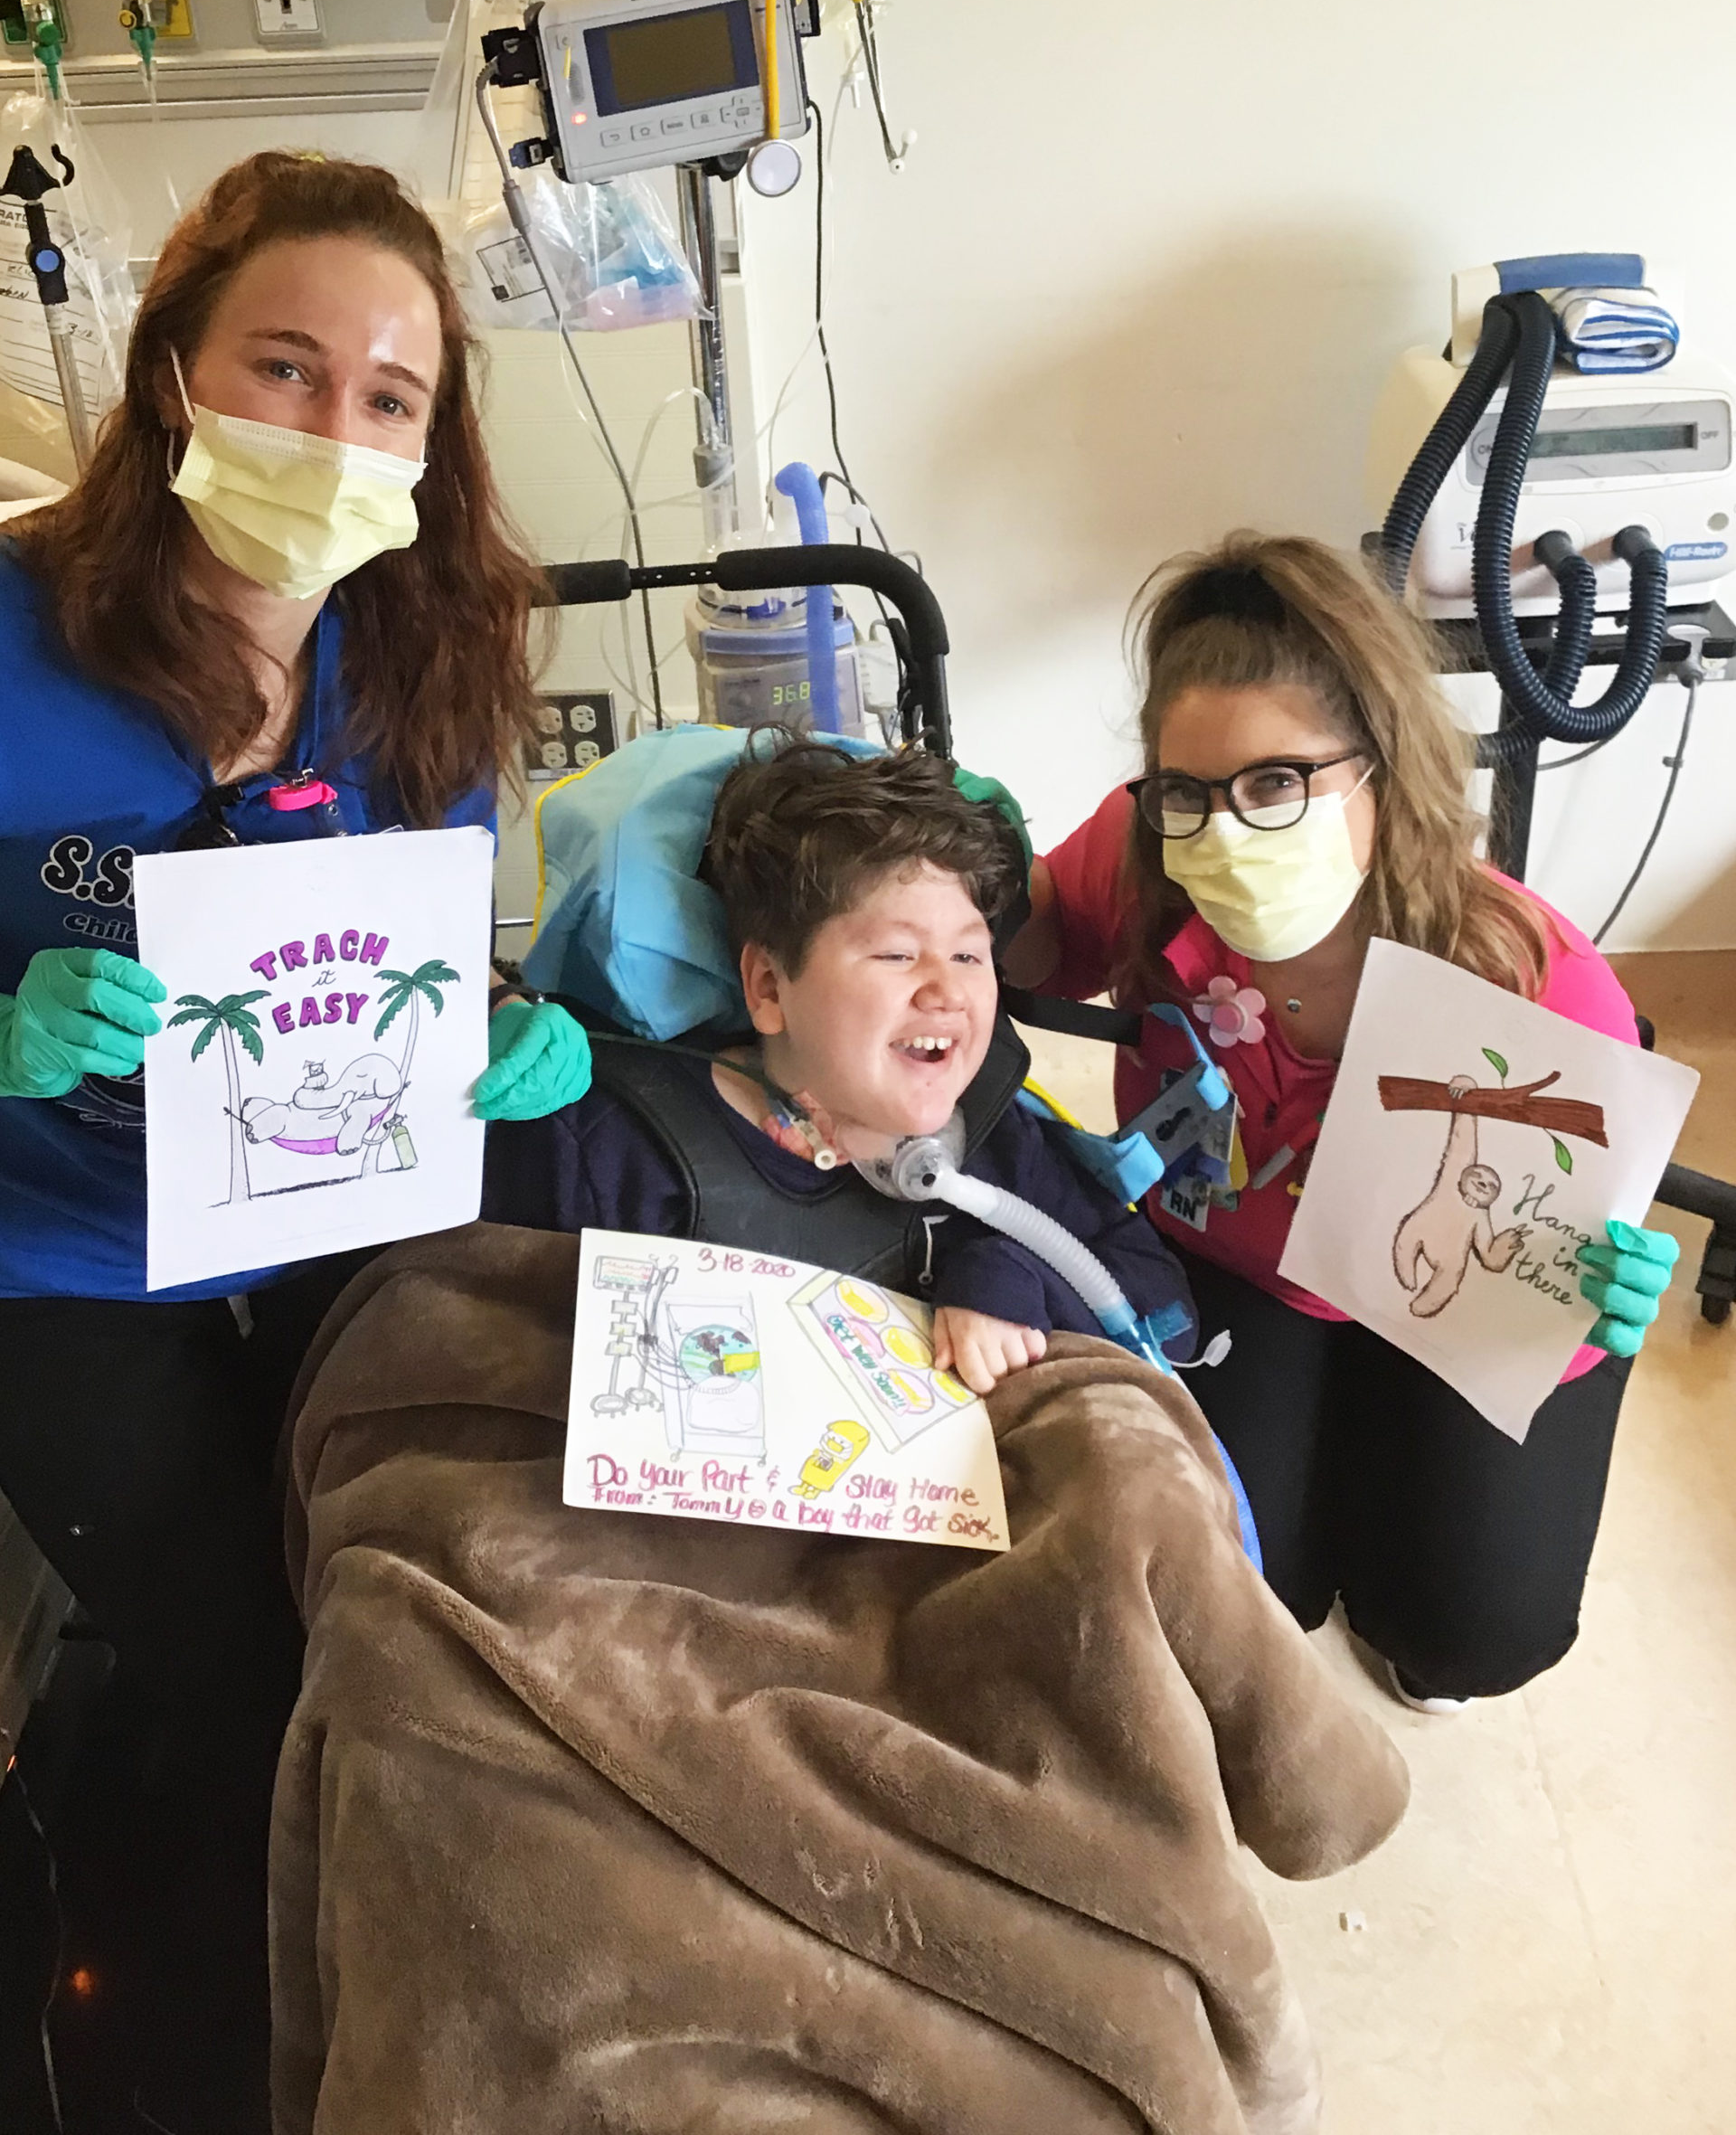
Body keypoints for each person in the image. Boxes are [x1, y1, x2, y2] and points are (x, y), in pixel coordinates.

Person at [0, 153, 593, 2131]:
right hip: (64, 1255)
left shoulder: (427, 652)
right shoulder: (14, 640)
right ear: (175, 369)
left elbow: (426, 945)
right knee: (253, 1676)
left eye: (388, 396)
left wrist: (505, 1034)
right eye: (286, 366)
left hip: (338, 1211)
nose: (335, 430)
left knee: (431, 1605)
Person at [1005, 533, 1677, 1715]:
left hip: (1453, 1308)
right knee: (1238, 1589)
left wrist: (1594, 1302)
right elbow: (1034, 952)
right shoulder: (1148, 859)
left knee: (1474, 1630)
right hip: (1235, 1265)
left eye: (1277, 783)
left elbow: (1545, 1284)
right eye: (1186, 791)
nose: (1222, 833)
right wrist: (973, 865)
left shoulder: (1534, 985)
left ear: (1380, 767)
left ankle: (1396, 1486)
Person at [484, 738, 1196, 1391]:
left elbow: (1167, 1318)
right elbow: (475, 1352)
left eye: (968, 954)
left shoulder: (999, 1143)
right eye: (897, 954)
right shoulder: (612, 1155)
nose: (947, 991)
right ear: (769, 987)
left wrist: (1011, 1276)